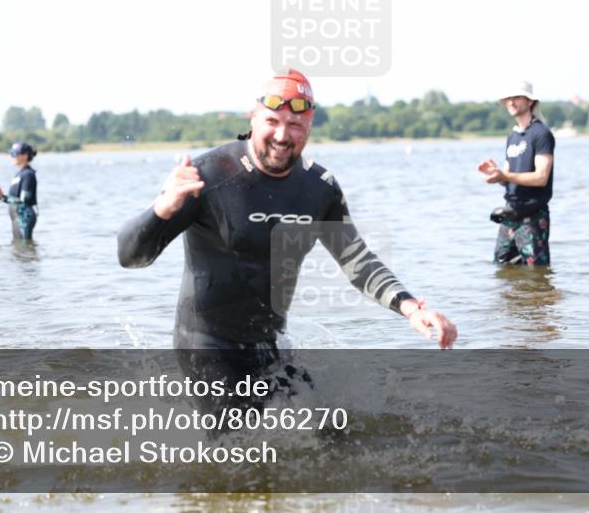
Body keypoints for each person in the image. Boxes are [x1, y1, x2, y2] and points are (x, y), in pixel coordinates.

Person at [117, 70, 457, 398]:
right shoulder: (206, 176)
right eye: (272, 122)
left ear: (308, 127)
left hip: (269, 344)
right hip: (206, 346)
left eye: (294, 125)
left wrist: (411, 308)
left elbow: (357, 261)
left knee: (335, 432)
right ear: (252, 119)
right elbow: (130, 257)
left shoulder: (318, 188)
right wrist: (163, 208)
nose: (282, 136)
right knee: (240, 446)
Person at [478, 81, 555, 268]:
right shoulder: (512, 137)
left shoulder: (541, 133)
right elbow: (509, 179)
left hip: (533, 216)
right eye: (508, 98)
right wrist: (496, 175)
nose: (511, 102)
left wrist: (504, 175)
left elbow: (541, 177)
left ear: (530, 102)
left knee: (537, 273)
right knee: (502, 268)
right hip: (510, 213)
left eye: (517, 97)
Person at [0, 141, 39, 240]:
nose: (12, 156)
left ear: (25, 156)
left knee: (24, 249)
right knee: (17, 247)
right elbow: (13, 200)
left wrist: (1, 196)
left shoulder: (28, 174)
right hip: (17, 217)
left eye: (14, 154)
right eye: (11, 153)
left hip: (24, 218)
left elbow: (24, 201)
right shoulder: (19, 174)